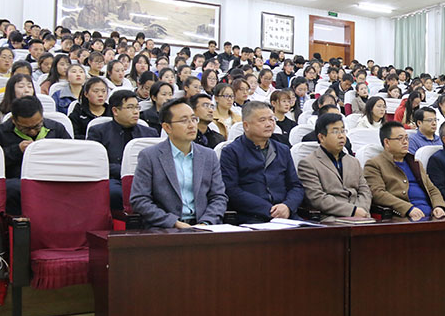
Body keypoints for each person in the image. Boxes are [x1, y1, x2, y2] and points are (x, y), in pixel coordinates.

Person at [129, 98, 228, 228]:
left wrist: (206, 222)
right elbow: (140, 200)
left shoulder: (209, 155)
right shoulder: (150, 156)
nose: (192, 125)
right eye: (184, 121)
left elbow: (219, 197)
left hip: (204, 227)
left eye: (194, 119)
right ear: (167, 127)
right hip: (165, 228)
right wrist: (173, 223)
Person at [219, 101, 304, 223]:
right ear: (246, 125)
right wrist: (270, 210)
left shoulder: (283, 149)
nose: (269, 124)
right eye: (262, 120)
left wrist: (287, 206)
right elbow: (231, 190)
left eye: (271, 119)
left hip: (286, 215)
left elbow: (296, 186)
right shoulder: (231, 152)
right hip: (252, 217)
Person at [0, 96, 72, 214]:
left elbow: (70, 155)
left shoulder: (56, 128)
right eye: (25, 128)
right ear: (14, 120)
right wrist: (17, 150)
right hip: (17, 184)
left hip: (51, 178)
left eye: (37, 126)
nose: (33, 132)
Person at [87, 90, 159, 210]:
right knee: (114, 193)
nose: (136, 112)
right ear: (115, 111)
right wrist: (124, 171)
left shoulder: (150, 133)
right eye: (130, 107)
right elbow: (96, 162)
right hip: (114, 178)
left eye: (137, 107)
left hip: (145, 178)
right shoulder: (98, 132)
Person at [363, 121, 445, 220]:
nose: (405, 142)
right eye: (400, 138)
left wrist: (438, 206)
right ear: (387, 142)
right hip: (403, 217)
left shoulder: (415, 163)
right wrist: (408, 209)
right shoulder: (374, 164)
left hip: (432, 216)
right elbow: (378, 194)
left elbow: (432, 189)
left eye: (406, 138)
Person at [296, 113, 372, 221]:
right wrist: (352, 211)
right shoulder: (308, 164)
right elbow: (317, 198)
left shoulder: (353, 161)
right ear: (321, 137)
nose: (341, 136)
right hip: (331, 218)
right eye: (335, 132)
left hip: (361, 216)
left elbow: (365, 191)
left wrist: (361, 209)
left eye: (343, 131)